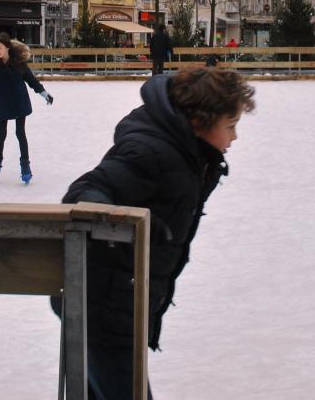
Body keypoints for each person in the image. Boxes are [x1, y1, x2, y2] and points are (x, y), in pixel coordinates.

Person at [51, 68, 255, 399]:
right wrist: (123, 220)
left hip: (119, 306)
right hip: (102, 311)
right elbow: (85, 192)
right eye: (230, 127)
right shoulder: (151, 153)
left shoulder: (186, 153)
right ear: (198, 123)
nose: (234, 138)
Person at [0, 34, 52, 184]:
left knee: (20, 133)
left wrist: (43, 92)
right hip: (2, 102)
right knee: (1, 134)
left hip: (19, 101)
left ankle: (25, 166)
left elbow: (31, 79)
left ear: (7, 47)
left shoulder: (18, 62)